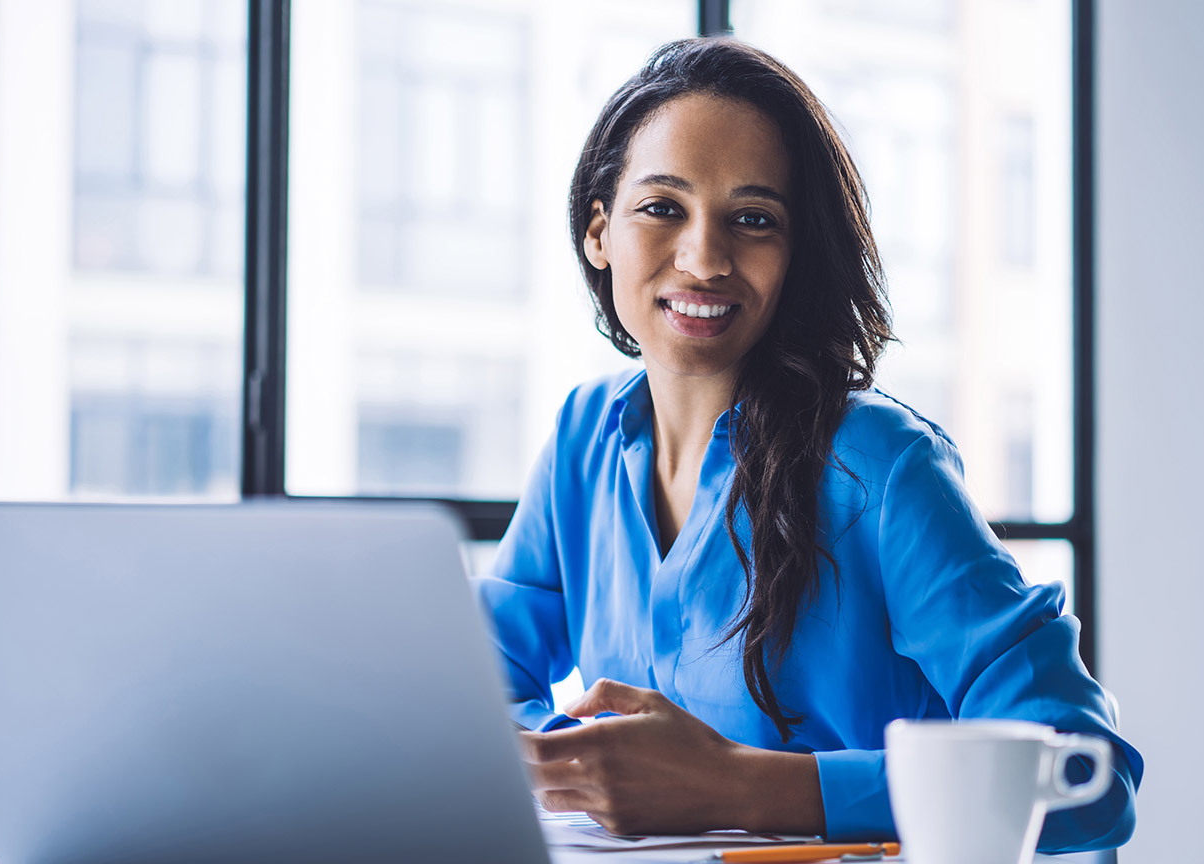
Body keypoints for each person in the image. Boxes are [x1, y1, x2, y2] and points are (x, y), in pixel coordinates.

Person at [473, 37, 1142, 852]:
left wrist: (734, 784)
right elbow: (475, 693)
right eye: (663, 208)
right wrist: (585, 769)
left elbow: (1089, 774)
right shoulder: (584, 438)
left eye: (753, 221)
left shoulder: (879, 466)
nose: (704, 258)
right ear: (598, 233)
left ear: (797, 256)